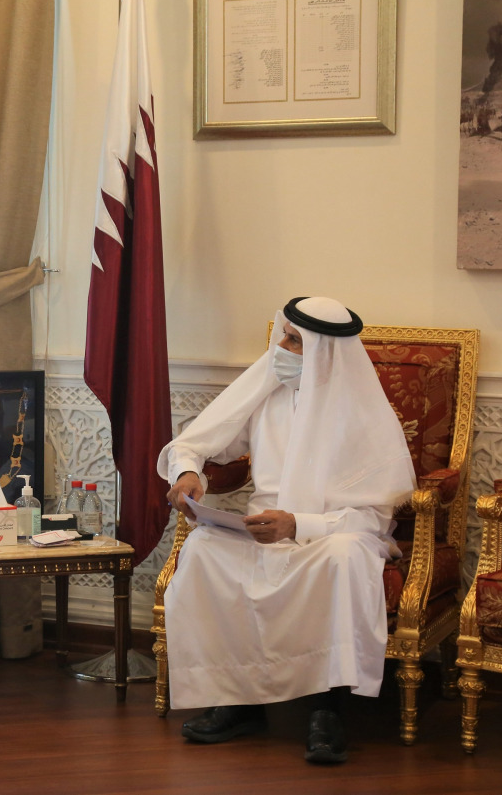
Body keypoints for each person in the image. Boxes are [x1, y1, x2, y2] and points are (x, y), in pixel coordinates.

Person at [158, 296, 415, 764]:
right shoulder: (267, 388)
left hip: (333, 533)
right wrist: (188, 472)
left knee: (346, 558)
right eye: (284, 333)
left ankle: (327, 710)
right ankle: (238, 701)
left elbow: (373, 519)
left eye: (294, 340)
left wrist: (299, 524)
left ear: (324, 350)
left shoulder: (362, 413)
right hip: (259, 530)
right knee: (203, 552)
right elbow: (195, 441)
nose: (280, 345)